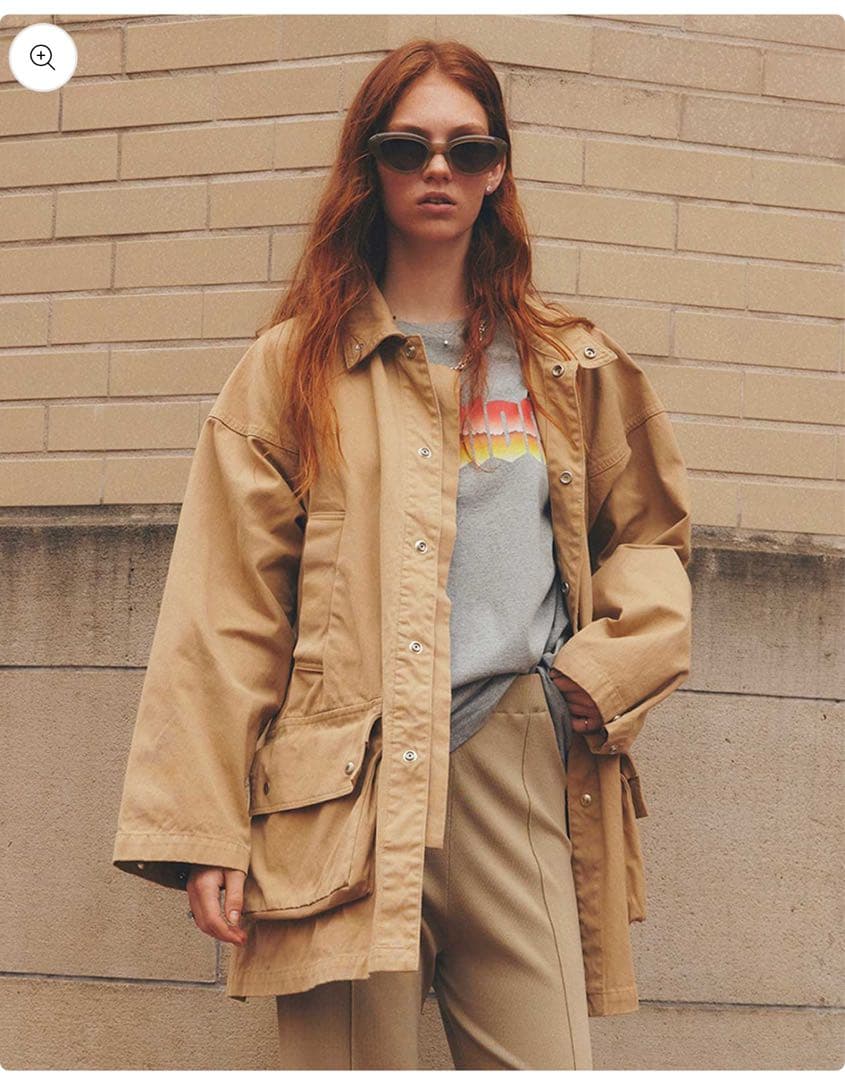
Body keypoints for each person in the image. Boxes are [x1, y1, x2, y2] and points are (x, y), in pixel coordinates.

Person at [112, 38, 692, 1070]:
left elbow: (645, 532)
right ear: (368, 165)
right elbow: (225, 609)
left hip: (517, 763)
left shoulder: (568, 363)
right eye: (406, 146)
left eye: (468, 149)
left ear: (497, 169)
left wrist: (601, 674)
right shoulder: (290, 372)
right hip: (343, 792)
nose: (438, 170)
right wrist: (205, 831)